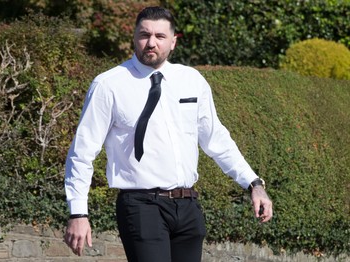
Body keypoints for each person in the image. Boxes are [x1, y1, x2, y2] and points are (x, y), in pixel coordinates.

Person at [64, 6, 273, 262]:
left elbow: (216, 140)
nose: (151, 43)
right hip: (141, 206)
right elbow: (82, 151)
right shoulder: (109, 85)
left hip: (187, 207)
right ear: (134, 37)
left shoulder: (191, 80)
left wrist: (254, 184)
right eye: (144, 35)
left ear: (173, 41)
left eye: (160, 37)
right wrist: (78, 213)